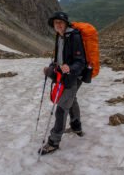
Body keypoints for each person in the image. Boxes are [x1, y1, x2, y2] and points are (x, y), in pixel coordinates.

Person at [39, 11, 86, 155]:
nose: (58, 25)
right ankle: (76, 126)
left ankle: (54, 141)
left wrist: (70, 68)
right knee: (71, 100)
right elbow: (59, 58)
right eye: (55, 23)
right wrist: (52, 67)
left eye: (60, 22)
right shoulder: (60, 36)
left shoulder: (74, 37)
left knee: (61, 108)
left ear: (66, 23)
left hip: (73, 76)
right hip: (63, 75)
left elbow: (81, 62)